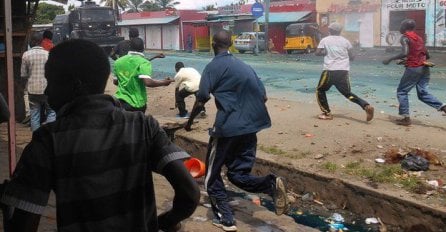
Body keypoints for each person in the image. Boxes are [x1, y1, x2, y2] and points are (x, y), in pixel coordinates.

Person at [0, 39, 200, 232]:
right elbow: (190, 192)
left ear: (75, 85)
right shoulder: (143, 126)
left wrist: (7, 205)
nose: (46, 90)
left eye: (51, 82)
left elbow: (23, 223)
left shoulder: (48, 140)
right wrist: (163, 222)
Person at [184, 30, 288, 232]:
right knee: (237, 174)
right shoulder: (244, 66)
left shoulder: (213, 67)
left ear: (214, 45)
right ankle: (270, 184)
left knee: (211, 177)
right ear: (230, 44)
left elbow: (202, 97)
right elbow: (263, 96)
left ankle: (226, 219)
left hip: (227, 129)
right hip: (251, 127)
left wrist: (189, 122)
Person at [382, 19, 446, 126]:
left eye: (401, 25)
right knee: (422, 93)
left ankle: (406, 118)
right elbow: (426, 54)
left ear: (404, 27)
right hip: (425, 67)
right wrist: (408, 60)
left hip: (414, 68)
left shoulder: (405, 38)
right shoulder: (419, 38)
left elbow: (405, 52)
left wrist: (390, 58)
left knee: (402, 91)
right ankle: (443, 107)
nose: (400, 28)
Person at [315, 22, 374, 121]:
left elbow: (317, 53)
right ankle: (366, 106)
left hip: (330, 70)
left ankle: (327, 113)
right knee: (347, 93)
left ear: (330, 30)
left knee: (320, 90)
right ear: (340, 31)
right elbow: (352, 57)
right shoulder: (346, 41)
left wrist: (325, 53)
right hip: (343, 71)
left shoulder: (325, 40)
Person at [114, 37, 173, 113]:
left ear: (130, 47)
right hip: (136, 104)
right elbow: (147, 82)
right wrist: (164, 82)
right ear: (143, 48)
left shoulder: (118, 62)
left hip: (120, 102)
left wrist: (127, 81)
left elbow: (115, 82)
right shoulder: (144, 63)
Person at [21, 32, 56, 132]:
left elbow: (23, 74)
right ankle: (49, 135)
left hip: (32, 89)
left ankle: (36, 138)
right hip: (47, 89)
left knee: (34, 114)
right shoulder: (48, 54)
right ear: (41, 42)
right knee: (51, 112)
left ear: (32, 42)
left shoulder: (26, 55)